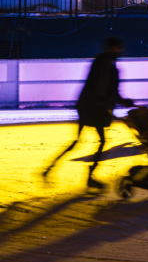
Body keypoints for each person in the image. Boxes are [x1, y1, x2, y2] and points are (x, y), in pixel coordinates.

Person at [42, 36, 133, 188]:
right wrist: (123, 102)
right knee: (101, 141)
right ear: (113, 48)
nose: (120, 51)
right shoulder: (108, 66)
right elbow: (105, 91)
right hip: (94, 108)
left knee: (77, 141)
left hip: (86, 106)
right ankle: (90, 175)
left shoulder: (100, 61)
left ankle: (50, 168)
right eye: (118, 48)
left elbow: (99, 88)